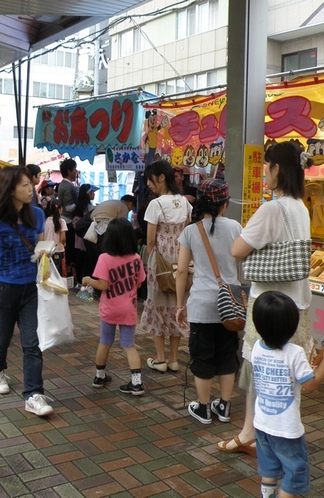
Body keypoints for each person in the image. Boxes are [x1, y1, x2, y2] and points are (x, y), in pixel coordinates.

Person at [217, 141, 314, 456]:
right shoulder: (300, 207)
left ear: (278, 169)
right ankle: (268, 434)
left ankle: (255, 436)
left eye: (267, 166)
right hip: (297, 306)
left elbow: (237, 250)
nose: (263, 173)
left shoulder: (273, 208)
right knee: (288, 373)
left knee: (260, 369)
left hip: (268, 306)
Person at [0, 166, 54, 417]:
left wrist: (45, 256)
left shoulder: (38, 214)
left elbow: (40, 247)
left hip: (31, 288)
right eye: (24, 186)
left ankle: (33, 395)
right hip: (2, 287)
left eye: (30, 185)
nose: (30, 189)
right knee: (2, 336)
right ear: (10, 190)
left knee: (33, 342)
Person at [251, 291, 324, 498]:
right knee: (295, 472)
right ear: (292, 326)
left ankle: (267, 494)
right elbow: (310, 385)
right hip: (286, 428)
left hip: (263, 422)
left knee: (269, 466)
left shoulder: (257, 347)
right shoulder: (294, 353)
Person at [175, 179, 242, 424]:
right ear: (224, 205)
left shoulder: (190, 231)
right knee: (227, 356)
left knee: (202, 356)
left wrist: (180, 305)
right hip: (230, 306)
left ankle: (203, 408)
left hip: (201, 305)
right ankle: (224, 407)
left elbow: (182, 272)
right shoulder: (236, 227)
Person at [82, 218, 146, 395]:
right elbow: (139, 284)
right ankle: (136, 383)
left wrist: (88, 279)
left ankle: (99, 376)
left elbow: (103, 285)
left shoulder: (104, 258)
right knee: (129, 345)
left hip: (109, 308)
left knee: (105, 342)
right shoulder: (136, 258)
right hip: (128, 309)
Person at [140, 160, 192, 373]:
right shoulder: (186, 203)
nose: (149, 184)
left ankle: (160, 359)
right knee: (177, 307)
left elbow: (150, 240)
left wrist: (152, 262)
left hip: (159, 262)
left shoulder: (156, 205)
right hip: (181, 260)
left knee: (157, 307)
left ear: (161, 177)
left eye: (150, 180)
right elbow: (187, 233)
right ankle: (173, 359)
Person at [72, 184, 98, 285]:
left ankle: (79, 280)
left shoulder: (77, 206)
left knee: (80, 258)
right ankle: (86, 281)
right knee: (87, 259)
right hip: (88, 236)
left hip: (78, 236)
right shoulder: (91, 208)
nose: (94, 194)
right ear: (88, 194)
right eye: (92, 192)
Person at [58, 158, 80, 275]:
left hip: (66, 220)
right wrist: (79, 203)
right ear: (69, 170)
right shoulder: (67, 186)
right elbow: (69, 207)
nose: (76, 171)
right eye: (74, 169)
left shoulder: (66, 184)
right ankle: (66, 272)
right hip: (68, 221)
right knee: (69, 250)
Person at [44, 198, 67, 275]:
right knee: (58, 273)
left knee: (48, 273)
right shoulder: (61, 221)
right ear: (59, 209)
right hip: (58, 250)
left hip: (46, 251)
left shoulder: (45, 221)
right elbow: (63, 238)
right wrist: (64, 244)